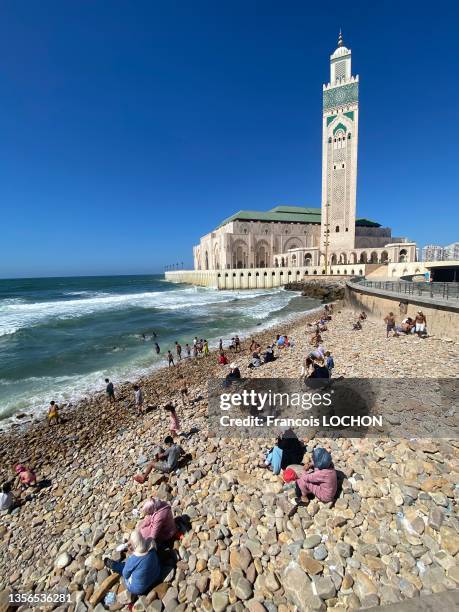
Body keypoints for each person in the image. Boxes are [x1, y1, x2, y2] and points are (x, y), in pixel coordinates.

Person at [104, 530, 160, 596]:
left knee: (124, 567)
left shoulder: (133, 559)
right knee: (138, 567)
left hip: (137, 589)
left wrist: (130, 555)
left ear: (134, 545)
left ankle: (114, 565)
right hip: (156, 575)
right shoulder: (151, 545)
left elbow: (126, 575)